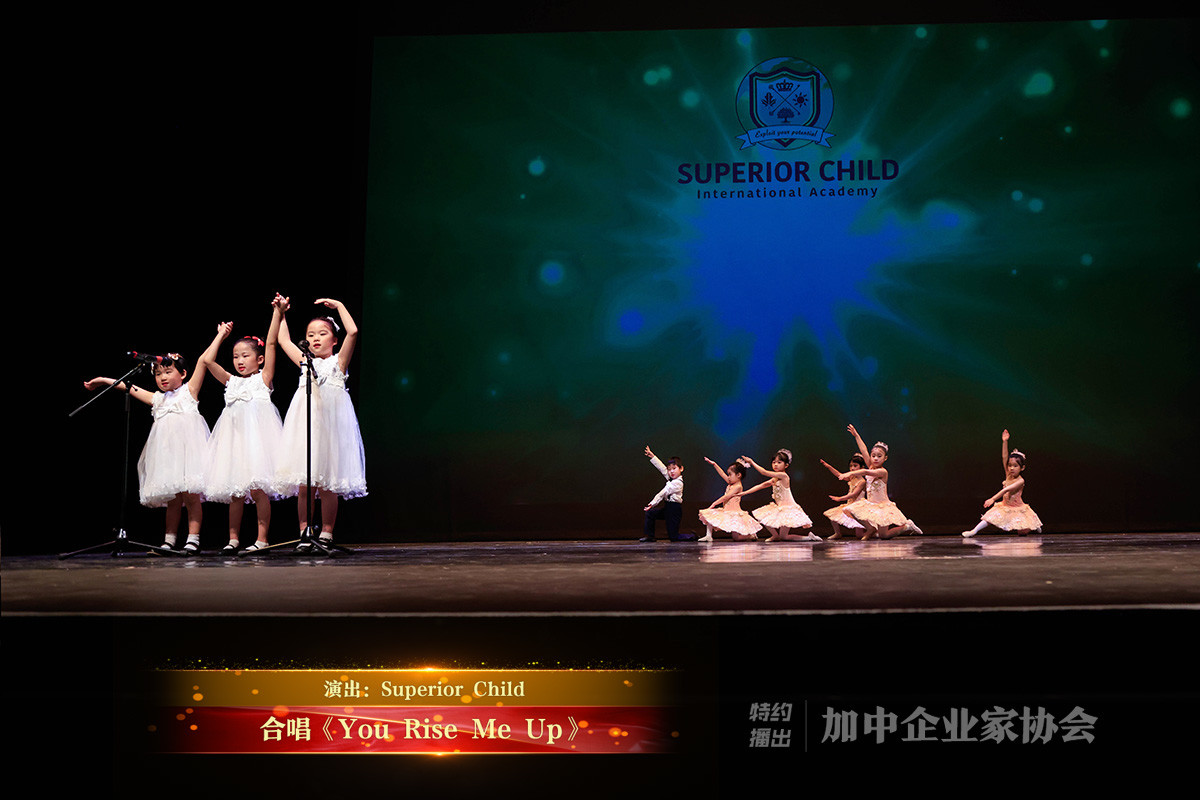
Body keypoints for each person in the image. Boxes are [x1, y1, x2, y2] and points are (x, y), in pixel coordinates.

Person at [83, 329, 223, 553]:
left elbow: (203, 361)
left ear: (183, 374)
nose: (163, 377)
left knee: (191, 496)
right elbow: (128, 386)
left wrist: (220, 336)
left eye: (168, 372)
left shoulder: (190, 391)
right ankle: (169, 540)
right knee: (173, 500)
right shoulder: (157, 399)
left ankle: (193, 539)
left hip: (190, 454)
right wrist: (102, 381)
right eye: (158, 374)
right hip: (168, 457)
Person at [277, 296, 367, 551]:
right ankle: (305, 531)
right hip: (307, 426)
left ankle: (327, 532)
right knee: (306, 484)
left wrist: (340, 306)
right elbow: (283, 340)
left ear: (334, 340)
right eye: (311, 334)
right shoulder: (305, 361)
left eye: (322, 333)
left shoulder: (339, 362)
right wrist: (281, 313)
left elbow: (353, 331)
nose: (316, 338)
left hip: (332, 428)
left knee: (329, 483)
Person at [201, 298, 288, 553]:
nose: (239, 361)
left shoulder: (263, 379)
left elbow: (271, 343)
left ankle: (262, 539)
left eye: (245, 356)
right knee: (236, 493)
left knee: (258, 490)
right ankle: (233, 539)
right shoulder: (231, 381)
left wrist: (277, 313)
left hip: (258, 444)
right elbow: (207, 361)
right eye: (235, 356)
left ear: (259, 359)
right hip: (235, 444)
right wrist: (220, 336)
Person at [838, 424, 922, 539]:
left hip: (883, 507)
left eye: (879, 456)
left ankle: (907, 526)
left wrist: (849, 473)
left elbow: (865, 472)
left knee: (884, 535)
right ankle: (871, 528)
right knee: (850, 509)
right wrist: (856, 435)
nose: (875, 458)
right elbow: (864, 450)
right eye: (873, 456)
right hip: (871, 504)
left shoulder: (883, 472)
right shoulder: (871, 466)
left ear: (885, 458)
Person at [962, 429, 1043, 537]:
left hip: (1017, 508)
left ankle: (1035, 525)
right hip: (1005, 505)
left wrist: (993, 499)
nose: (1011, 468)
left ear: (1022, 468)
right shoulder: (1008, 474)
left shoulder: (1020, 481)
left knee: (1022, 532)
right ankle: (974, 531)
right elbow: (1004, 457)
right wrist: (1005, 441)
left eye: (1015, 466)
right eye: (1010, 465)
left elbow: (1006, 490)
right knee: (990, 517)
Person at [738, 449, 819, 542]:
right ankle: (775, 535)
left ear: (786, 465)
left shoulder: (784, 476)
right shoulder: (775, 478)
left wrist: (752, 462)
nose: (775, 464)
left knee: (784, 536)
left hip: (788, 509)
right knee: (765, 517)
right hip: (780, 507)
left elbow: (764, 472)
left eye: (779, 462)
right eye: (774, 462)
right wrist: (745, 493)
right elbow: (761, 485)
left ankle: (809, 537)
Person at [697, 457, 762, 542]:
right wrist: (714, 464)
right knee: (709, 514)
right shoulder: (731, 483)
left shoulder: (738, 486)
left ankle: (751, 535)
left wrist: (714, 503)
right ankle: (708, 535)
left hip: (734, 513)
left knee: (736, 538)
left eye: (730, 474)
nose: (728, 477)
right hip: (726, 511)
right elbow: (722, 474)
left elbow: (726, 497)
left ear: (738, 475)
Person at [640, 445, 694, 542]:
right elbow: (661, 468)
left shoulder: (678, 483)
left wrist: (652, 503)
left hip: (674, 510)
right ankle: (650, 536)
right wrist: (652, 456)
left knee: (674, 537)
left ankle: (693, 536)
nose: (671, 471)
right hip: (667, 508)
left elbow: (663, 492)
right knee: (650, 513)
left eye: (674, 468)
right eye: (669, 469)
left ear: (681, 469)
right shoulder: (671, 478)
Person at [819, 454, 867, 539]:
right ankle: (837, 533)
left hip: (858, 507)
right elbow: (839, 475)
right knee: (833, 515)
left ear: (862, 468)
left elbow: (854, 494)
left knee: (859, 535)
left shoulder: (862, 481)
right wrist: (828, 466)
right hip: (849, 505)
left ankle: (874, 533)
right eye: (851, 466)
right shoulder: (852, 477)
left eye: (855, 466)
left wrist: (840, 498)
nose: (852, 468)